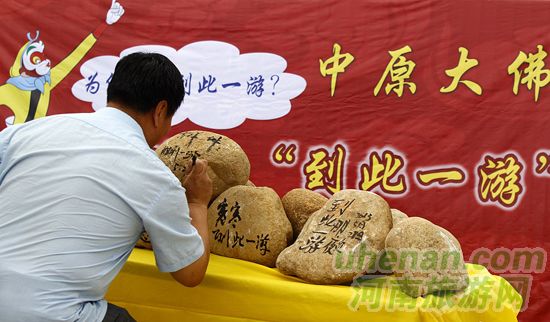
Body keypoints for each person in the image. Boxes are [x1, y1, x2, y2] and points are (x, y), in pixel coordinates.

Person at [0, 52, 212, 322]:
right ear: (160, 111)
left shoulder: (20, 134)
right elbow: (190, 273)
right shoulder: (155, 175)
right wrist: (197, 203)